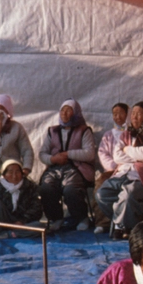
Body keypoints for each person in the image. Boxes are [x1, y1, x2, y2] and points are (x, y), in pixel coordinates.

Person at [96, 101, 143, 238]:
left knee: (128, 194)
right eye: (133, 114)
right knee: (102, 194)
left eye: (139, 114)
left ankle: (122, 228)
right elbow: (117, 157)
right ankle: (125, 220)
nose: (134, 117)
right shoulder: (125, 134)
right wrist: (137, 156)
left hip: (142, 177)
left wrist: (127, 149)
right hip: (122, 173)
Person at [39, 99, 96, 231]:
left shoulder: (84, 130)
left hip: (76, 168)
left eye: (68, 110)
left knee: (70, 190)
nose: (64, 113)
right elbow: (42, 154)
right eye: (62, 110)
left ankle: (82, 218)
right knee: (46, 188)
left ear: (76, 113)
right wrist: (53, 159)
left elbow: (89, 153)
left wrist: (67, 154)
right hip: (55, 168)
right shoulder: (52, 131)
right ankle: (57, 218)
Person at [93, 102, 130, 233]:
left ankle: (123, 222)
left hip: (129, 170)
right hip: (110, 171)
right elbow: (102, 153)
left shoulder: (131, 132)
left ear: (127, 114)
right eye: (115, 114)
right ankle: (103, 222)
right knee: (100, 186)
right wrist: (113, 167)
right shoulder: (108, 135)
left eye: (121, 113)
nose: (118, 116)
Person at [0, 159, 44, 226]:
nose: (14, 176)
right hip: (0, 223)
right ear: (4, 175)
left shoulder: (30, 187)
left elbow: (36, 209)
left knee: (38, 226)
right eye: (10, 172)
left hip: (21, 224)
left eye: (17, 172)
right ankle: (3, 231)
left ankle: (9, 233)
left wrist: (22, 221)